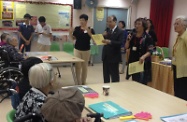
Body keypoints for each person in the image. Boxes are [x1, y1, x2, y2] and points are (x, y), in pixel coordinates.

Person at [125, 18, 154, 85]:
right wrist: (128, 40)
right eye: (136, 24)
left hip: (142, 63)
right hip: (133, 62)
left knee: (141, 83)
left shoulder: (148, 37)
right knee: (134, 81)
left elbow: (151, 50)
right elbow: (126, 47)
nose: (136, 26)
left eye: (139, 24)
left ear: (143, 26)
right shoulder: (132, 35)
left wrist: (144, 56)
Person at [69, 14, 95, 85]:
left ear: (86, 21)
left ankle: (83, 81)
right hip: (77, 49)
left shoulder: (90, 29)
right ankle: (78, 82)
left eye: (83, 20)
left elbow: (94, 39)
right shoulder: (77, 29)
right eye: (80, 20)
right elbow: (73, 38)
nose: (81, 21)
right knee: (77, 66)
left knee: (84, 66)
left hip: (86, 50)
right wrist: (70, 33)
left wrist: (88, 31)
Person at [102, 15, 124, 83]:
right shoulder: (107, 30)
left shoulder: (120, 31)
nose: (108, 23)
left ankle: (116, 90)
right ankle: (106, 89)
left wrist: (110, 42)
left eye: (110, 22)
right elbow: (103, 40)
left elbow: (120, 43)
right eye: (107, 22)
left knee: (114, 76)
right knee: (106, 75)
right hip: (106, 56)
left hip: (114, 57)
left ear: (115, 21)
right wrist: (102, 36)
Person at [172, 16, 187, 100]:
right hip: (176, 66)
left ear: (184, 25)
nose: (175, 25)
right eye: (174, 23)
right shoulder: (178, 36)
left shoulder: (186, 36)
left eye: (177, 24)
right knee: (177, 89)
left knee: (182, 91)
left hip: (184, 69)